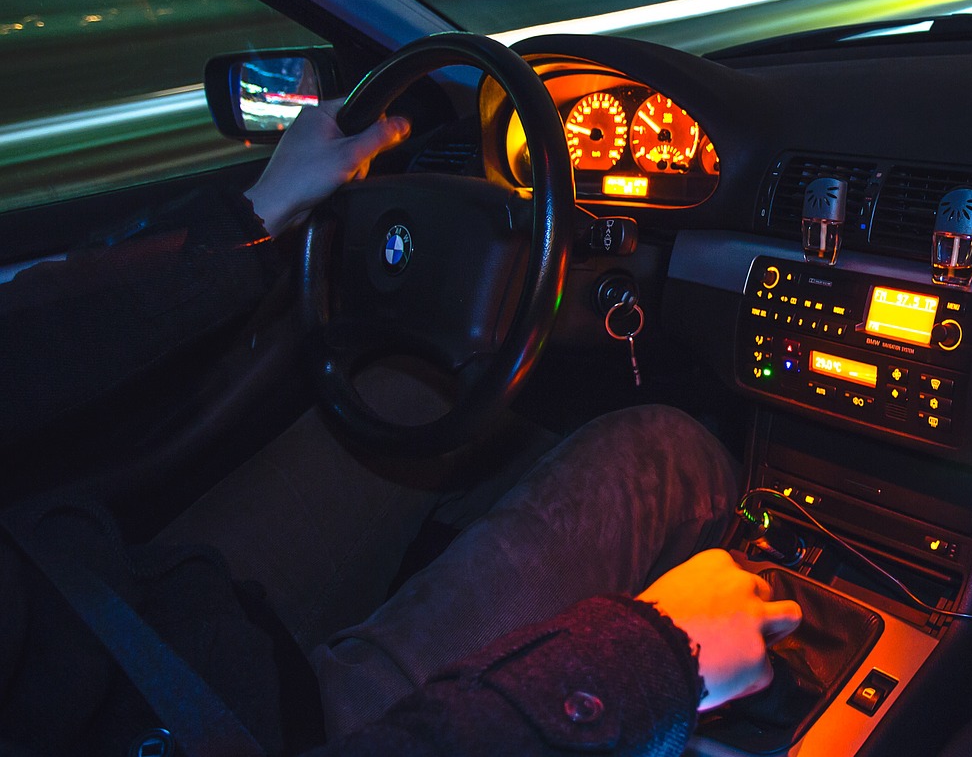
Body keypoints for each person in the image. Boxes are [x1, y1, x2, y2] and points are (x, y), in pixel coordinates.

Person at [1, 101, 800, 757]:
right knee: (663, 452)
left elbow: (30, 350)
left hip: (122, 611)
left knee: (405, 389)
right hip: (236, 723)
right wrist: (651, 655)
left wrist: (255, 216)